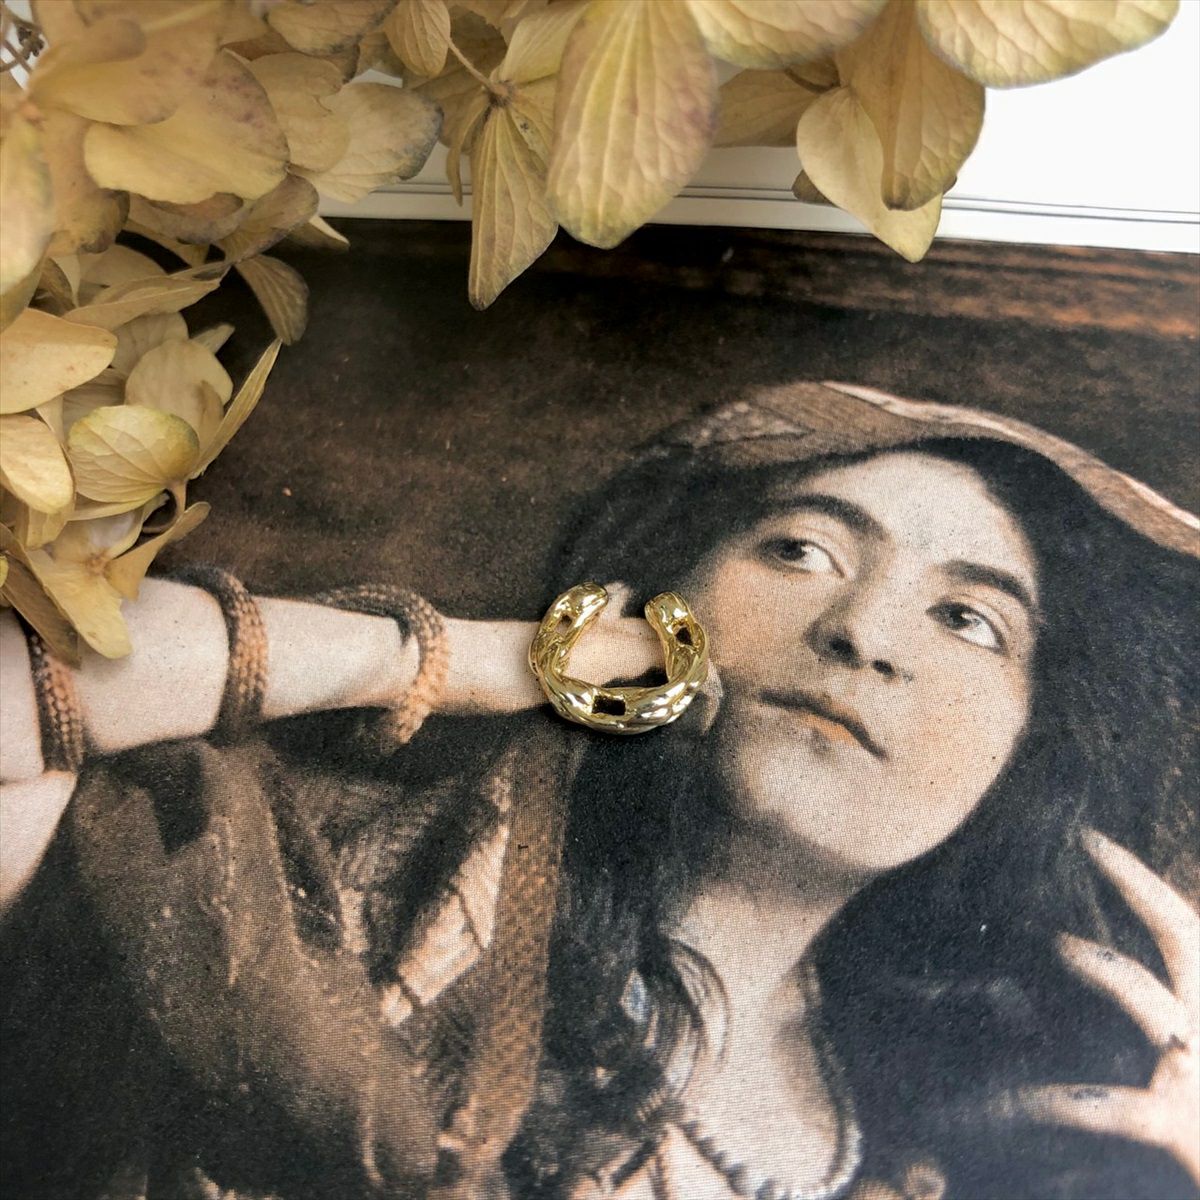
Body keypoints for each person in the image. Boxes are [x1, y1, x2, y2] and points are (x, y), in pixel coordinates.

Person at [0, 382, 1196, 1200]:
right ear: (652, 600)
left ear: (1030, 746)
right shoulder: (296, 892)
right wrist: (488, 661)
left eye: (970, 620)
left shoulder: (958, 1146)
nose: (864, 633)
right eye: (801, 550)